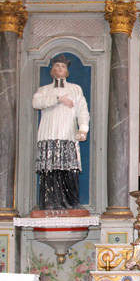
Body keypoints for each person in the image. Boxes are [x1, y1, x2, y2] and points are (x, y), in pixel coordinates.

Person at [33, 54, 90, 209]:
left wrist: (83, 129)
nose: (60, 68)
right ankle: (49, 202)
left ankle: (71, 201)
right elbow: (36, 102)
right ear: (52, 70)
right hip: (48, 134)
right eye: (57, 66)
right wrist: (59, 99)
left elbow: (82, 111)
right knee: (50, 169)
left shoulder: (75, 89)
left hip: (68, 134)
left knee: (69, 169)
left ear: (67, 71)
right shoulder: (44, 90)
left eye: (63, 66)